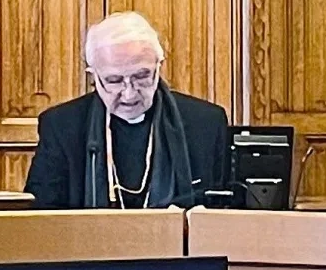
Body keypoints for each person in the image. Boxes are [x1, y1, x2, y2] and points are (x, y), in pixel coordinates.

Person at [24, 11, 229, 209]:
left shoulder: (206, 124)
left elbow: (222, 215)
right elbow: (43, 218)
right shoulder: (61, 127)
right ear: (93, 76)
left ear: (159, 66)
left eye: (141, 76)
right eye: (114, 81)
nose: (129, 94)